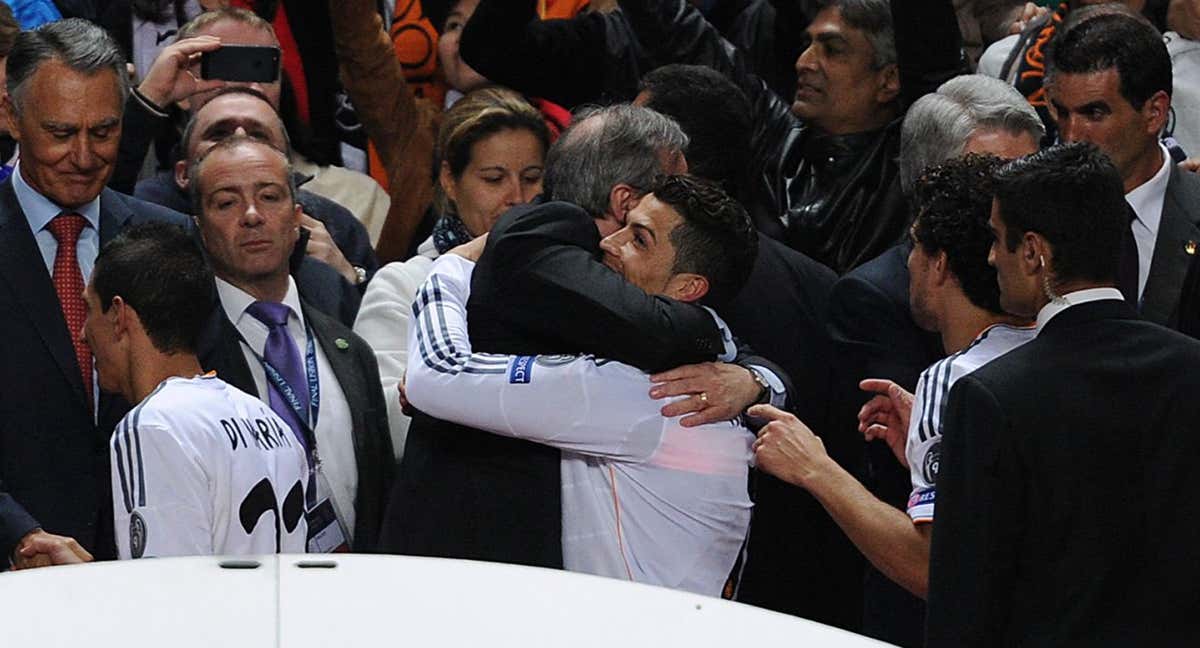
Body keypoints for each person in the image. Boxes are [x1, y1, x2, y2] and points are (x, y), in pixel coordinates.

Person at [383, 104, 790, 570]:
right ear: (625, 200)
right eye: (670, 186)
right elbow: (439, 378)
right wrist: (450, 267)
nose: (686, 194)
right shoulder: (537, 244)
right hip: (470, 551)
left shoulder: (644, 362)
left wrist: (754, 380)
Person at [405, 175, 756, 595]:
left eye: (639, 240)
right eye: (624, 225)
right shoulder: (702, 370)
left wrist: (451, 266)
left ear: (688, 288)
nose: (610, 243)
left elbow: (437, 375)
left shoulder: (638, 392)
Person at [925, 142, 1200, 646]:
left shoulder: (988, 399)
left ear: (1032, 252)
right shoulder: (1192, 368)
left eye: (996, 239)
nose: (990, 256)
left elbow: (964, 606)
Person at [825, 73, 1043, 647]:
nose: (1020, 202)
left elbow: (940, 563)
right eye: (995, 178)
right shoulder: (875, 301)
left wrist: (810, 468)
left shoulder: (962, 376)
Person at [753, 154, 1033, 599]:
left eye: (914, 244)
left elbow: (931, 569)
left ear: (940, 264)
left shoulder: (954, 382)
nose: (906, 262)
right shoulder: (1056, 348)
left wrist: (815, 469)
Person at [0, 18, 191, 568]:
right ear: (11, 117)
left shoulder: (169, 240)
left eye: (103, 131)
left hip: (152, 565)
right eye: (60, 133)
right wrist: (19, 535)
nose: (84, 156)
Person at [190, 136, 393, 553]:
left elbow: (383, 499)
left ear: (297, 217)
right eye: (226, 203)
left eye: (269, 197)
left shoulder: (349, 349)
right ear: (200, 228)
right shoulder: (186, 352)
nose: (252, 216)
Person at [82, 223, 308, 558]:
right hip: (273, 610)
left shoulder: (152, 425)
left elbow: (165, 589)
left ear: (118, 315)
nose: (84, 333)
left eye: (89, 309)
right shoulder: (271, 421)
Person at [353, 87, 550, 460]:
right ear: (449, 179)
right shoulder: (403, 285)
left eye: (532, 176)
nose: (517, 197)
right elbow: (386, 428)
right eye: (494, 178)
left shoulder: (578, 279)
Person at [111, 7, 391, 253]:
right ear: (183, 174)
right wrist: (149, 98)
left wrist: (345, 279)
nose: (248, 85)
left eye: (260, 67)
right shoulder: (138, 208)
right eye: (227, 64)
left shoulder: (339, 216)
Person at [1045, 12, 1200, 327]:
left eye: (1094, 113)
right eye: (1062, 113)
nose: (1071, 135)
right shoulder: (1034, 216)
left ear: (1154, 113)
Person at [138, 86, 377, 290]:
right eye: (219, 133)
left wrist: (346, 281)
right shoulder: (142, 221)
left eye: (258, 135)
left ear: (288, 167)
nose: (241, 142)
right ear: (183, 173)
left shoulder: (337, 226)